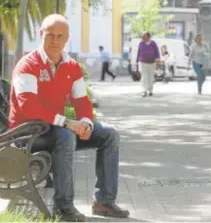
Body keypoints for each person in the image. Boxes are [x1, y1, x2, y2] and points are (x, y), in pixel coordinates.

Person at [9, 14, 129, 222]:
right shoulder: (27, 65)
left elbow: (81, 101)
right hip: (26, 134)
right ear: (41, 35)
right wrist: (67, 122)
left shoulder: (71, 66)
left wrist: (86, 122)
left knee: (109, 135)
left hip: (54, 129)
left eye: (60, 36)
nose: (55, 40)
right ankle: (63, 207)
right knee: (65, 136)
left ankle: (104, 202)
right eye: (50, 35)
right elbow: (28, 107)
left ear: (67, 38)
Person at [136, 31, 160, 97]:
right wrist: (137, 60)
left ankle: (150, 90)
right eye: (142, 36)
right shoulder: (141, 43)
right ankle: (144, 90)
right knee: (144, 77)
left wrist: (157, 58)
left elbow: (156, 51)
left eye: (144, 36)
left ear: (148, 36)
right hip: (143, 62)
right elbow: (139, 52)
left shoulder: (153, 43)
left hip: (152, 63)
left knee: (151, 77)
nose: (143, 37)